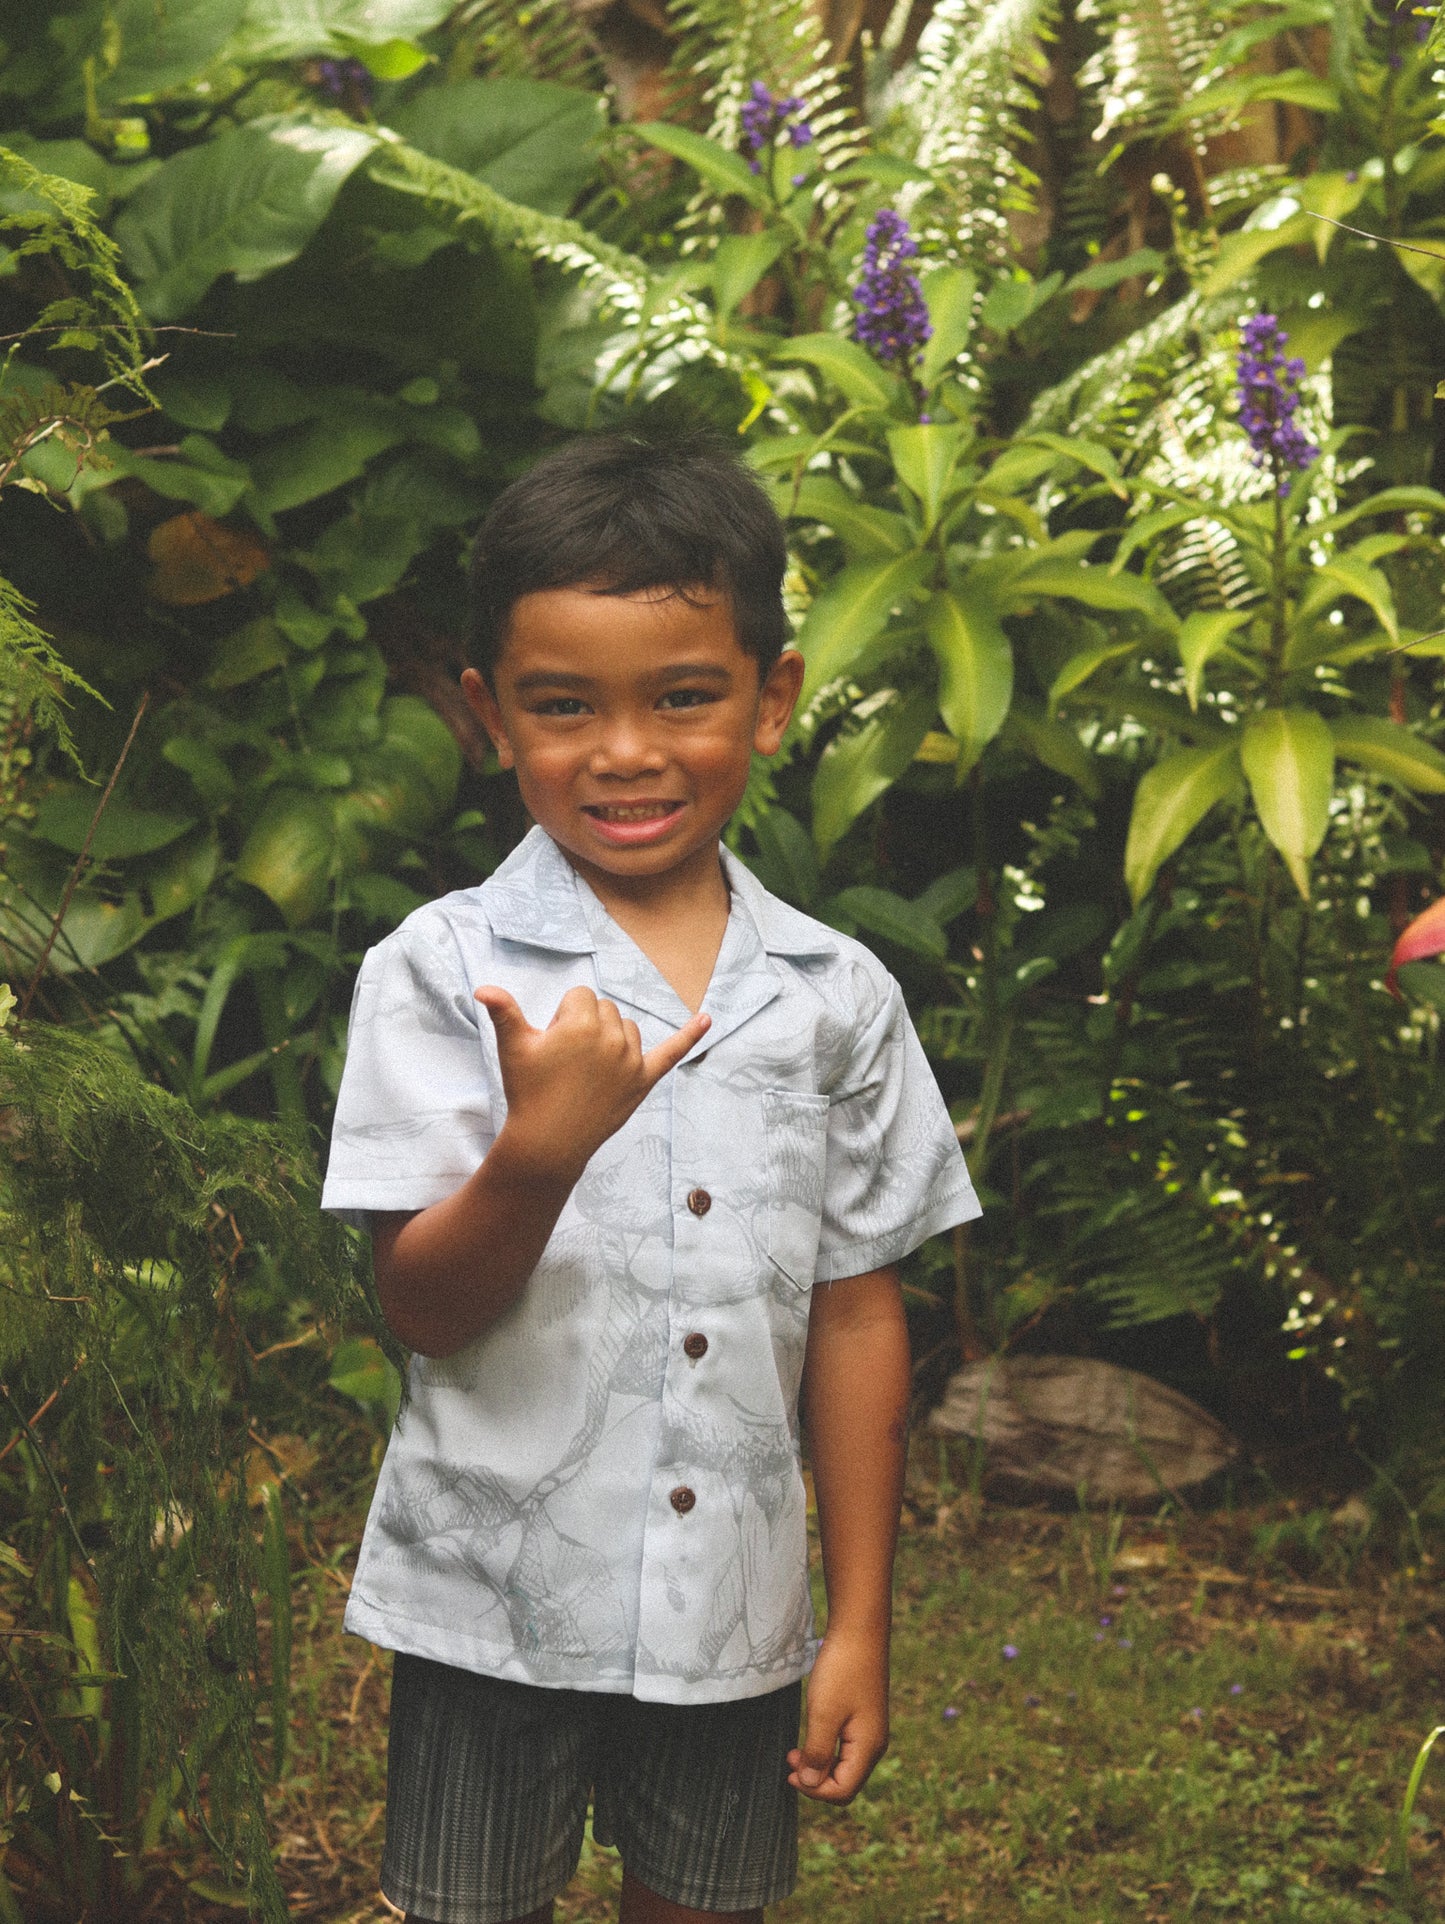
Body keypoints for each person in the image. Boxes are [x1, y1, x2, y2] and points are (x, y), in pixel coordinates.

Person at [321, 432, 980, 1924]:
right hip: (488, 1599)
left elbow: (861, 1313)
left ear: (773, 694)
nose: (624, 752)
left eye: (682, 696)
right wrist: (537, 1156)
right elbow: (420, 1306)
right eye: (565, 708)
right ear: (491, 715)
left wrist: (857, 1623)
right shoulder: (442, 971)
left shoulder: (834, 994)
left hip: (732, 1615)